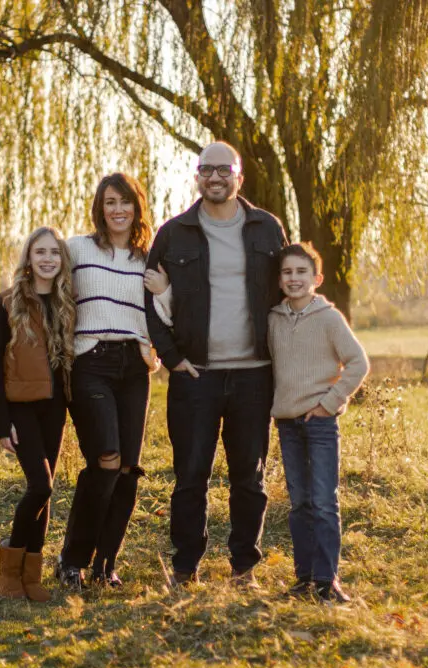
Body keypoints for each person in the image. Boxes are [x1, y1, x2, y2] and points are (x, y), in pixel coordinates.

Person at [144, 141, 287, 588]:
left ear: (239, 176)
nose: (215, 177)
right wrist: (172, 359)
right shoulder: (174, 233)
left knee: (250, 477)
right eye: (206, 169)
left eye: (224, 169)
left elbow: (287, 290)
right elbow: (150, 301)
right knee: (190, 476)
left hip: (254, 375)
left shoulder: (267, 228)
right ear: (197, 176)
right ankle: (185, 568)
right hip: (195, 377)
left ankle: (244, 568)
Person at [56, 173, 156, 590]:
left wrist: (165, 290)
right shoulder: (78, 249)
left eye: (125, 202)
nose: (117, 209)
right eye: (110, 202)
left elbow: (165, 311)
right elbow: (43, 282)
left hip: (134, 365)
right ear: (100, 208)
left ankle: (105, 565)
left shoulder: (148, 258)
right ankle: (71, 560)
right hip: (90, 362)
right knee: (106, 461)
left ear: (137, 208)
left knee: (128, 469)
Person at [268, 242, 369, 603]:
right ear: (279, 279)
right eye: (287, 272)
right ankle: (304, 578)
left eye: (301, 272)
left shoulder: (328, 318)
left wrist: (330, 403)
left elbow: (358, 363)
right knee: (300, 504)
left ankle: (328, 581)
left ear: (317, 278)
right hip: (288, 424)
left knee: (324, 501)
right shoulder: (273, 319)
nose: (294, 278)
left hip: (320, 423)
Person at [0, 226, 76, 602]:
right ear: (28, 258)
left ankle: (32, 575)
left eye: (54, 253)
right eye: (40, 252)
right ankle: (10, 568)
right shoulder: (8, 302)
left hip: (55, 409)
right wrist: (1, 423)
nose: (47, 259)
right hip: (21, 408)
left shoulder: (67, 302)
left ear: (62, 259)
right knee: (41, 485)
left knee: (46, 493)